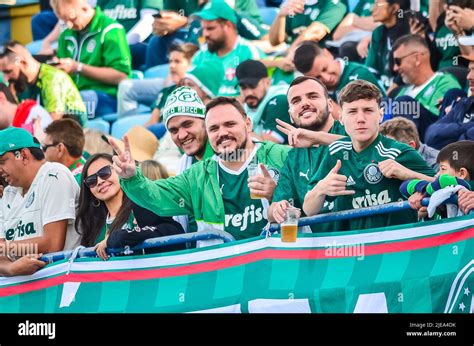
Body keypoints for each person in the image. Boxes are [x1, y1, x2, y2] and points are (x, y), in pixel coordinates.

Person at [111, 88, 290, 244]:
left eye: (229, 124)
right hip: (223, 273)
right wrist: (131, 178)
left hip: (277, 266)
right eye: (214, 128)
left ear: (248, 124)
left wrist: (279, 192)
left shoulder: (280, 156)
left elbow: (312, 198)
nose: (222, 133)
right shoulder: (196, 176)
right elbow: (156, 196)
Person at [303, 80, 435, 232]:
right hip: (350, 248)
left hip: (397, 246)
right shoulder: (335, 152)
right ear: (341, 118)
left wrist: (408, 174)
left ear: (380, 114)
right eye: (352, 112)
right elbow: (309, 209)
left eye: (368, 110)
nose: (360, 119)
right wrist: (321, 188)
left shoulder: (398, 152)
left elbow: (445, 189)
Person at [0, 127, 80, 276]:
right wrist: (10, 269)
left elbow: (52, 244)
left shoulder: (54, 175)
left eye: (2, 161)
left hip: (60, 283)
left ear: (23, 155)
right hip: (22, 290)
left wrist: (7, 248)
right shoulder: (8, 192)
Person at [269, 76, 346, 227]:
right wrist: (278, 210)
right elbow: (272, 210)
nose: (304, 103)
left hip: (363, 238)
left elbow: (363, 145)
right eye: (296, 101)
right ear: (291, 115)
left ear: (330, 105)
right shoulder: (293, 157)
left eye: (312, 96)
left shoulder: (349, 130)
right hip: (317, 246)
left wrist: (316, 138)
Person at [75, 153, 185, 260]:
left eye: (104, 172)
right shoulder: (93, 225)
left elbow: (174, 231)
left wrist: (116, 238)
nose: (99, 181)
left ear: (119, 170)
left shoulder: (141, 205)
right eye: (91, 180)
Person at [52, 0, 132, 117]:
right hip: (75, 97)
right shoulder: (66, 35)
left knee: (74, 104)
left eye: (72, 19)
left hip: (106, 97)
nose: (69, 25)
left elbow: (121, 76)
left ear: (85, 8)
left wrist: (78, 67)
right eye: (64, 21)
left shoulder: (111, 29)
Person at [390, 34, 462, 140]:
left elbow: (442, 119)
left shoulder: (444, 82)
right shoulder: (401, 91)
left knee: (404, 103)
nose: (395, 68)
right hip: (398, 141)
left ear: (417, 58)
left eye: (398, 61)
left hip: (430, 143)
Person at [0, 41, 87, 125]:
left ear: (23, 62)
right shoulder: (20, 84)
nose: (6, 79)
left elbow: (52, 124)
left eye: (8, 71)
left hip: (71, 135)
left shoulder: (52, 79)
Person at [192, 1, 266, 97]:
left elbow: (255, 95)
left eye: (210, 28)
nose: (205, 34)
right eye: (203, 29)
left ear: (228, 25)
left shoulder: (249, 52)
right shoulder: (201, 55)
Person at [119, 43, 199, 117]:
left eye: (177, 62)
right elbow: (153, 121)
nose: (171, 66)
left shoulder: (198, 94)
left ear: (192, 65)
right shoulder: (168, 91)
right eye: (170, 61)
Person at [293, 41, 384, 103]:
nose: (327, 78)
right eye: (318, 77)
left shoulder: (360, 74)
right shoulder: (317, 88)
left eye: (325, 68)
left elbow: (355, 122)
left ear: (328, 54)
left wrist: (321, 97)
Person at [402, 140, 474, 218]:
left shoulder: (467, 189)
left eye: (443, 169)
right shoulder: (442, 191)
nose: (437, 174)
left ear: (462, 173)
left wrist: (426, 192)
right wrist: (423, 191)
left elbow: (442, 180)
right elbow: (404, 186)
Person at [424, 49, 474, 149]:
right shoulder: (465, 102)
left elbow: (463, 150)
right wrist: (467, 126)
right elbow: (432, 134)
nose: (469, 76)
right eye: (469, 70)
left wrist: (453, 132)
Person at [236, 59, 291, 144]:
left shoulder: (279, 100)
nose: (249, 93)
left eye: (253, 86)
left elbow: (268, 145)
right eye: (244, 87)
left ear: (267, 82)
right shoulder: (249, 104)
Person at [364, 0, 412, 89]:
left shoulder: (410, 30)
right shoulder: (377, 33)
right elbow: (370, 70)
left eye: (377, 4)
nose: (372, 9)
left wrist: (389, 93)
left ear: (394, 8)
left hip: (405, 88)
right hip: (382, 90)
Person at [268, 0, 347, 48]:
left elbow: (315, 33)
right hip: (292, 55)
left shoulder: (334, 2)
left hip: (320, 55)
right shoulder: (293, 2)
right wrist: (281, 16)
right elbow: (274, 42)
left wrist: (291, 53)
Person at [43, 118, 87, 185]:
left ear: (60, 149)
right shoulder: (86, 168)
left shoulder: (69, 183)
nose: (43, 152)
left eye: (45, 147)